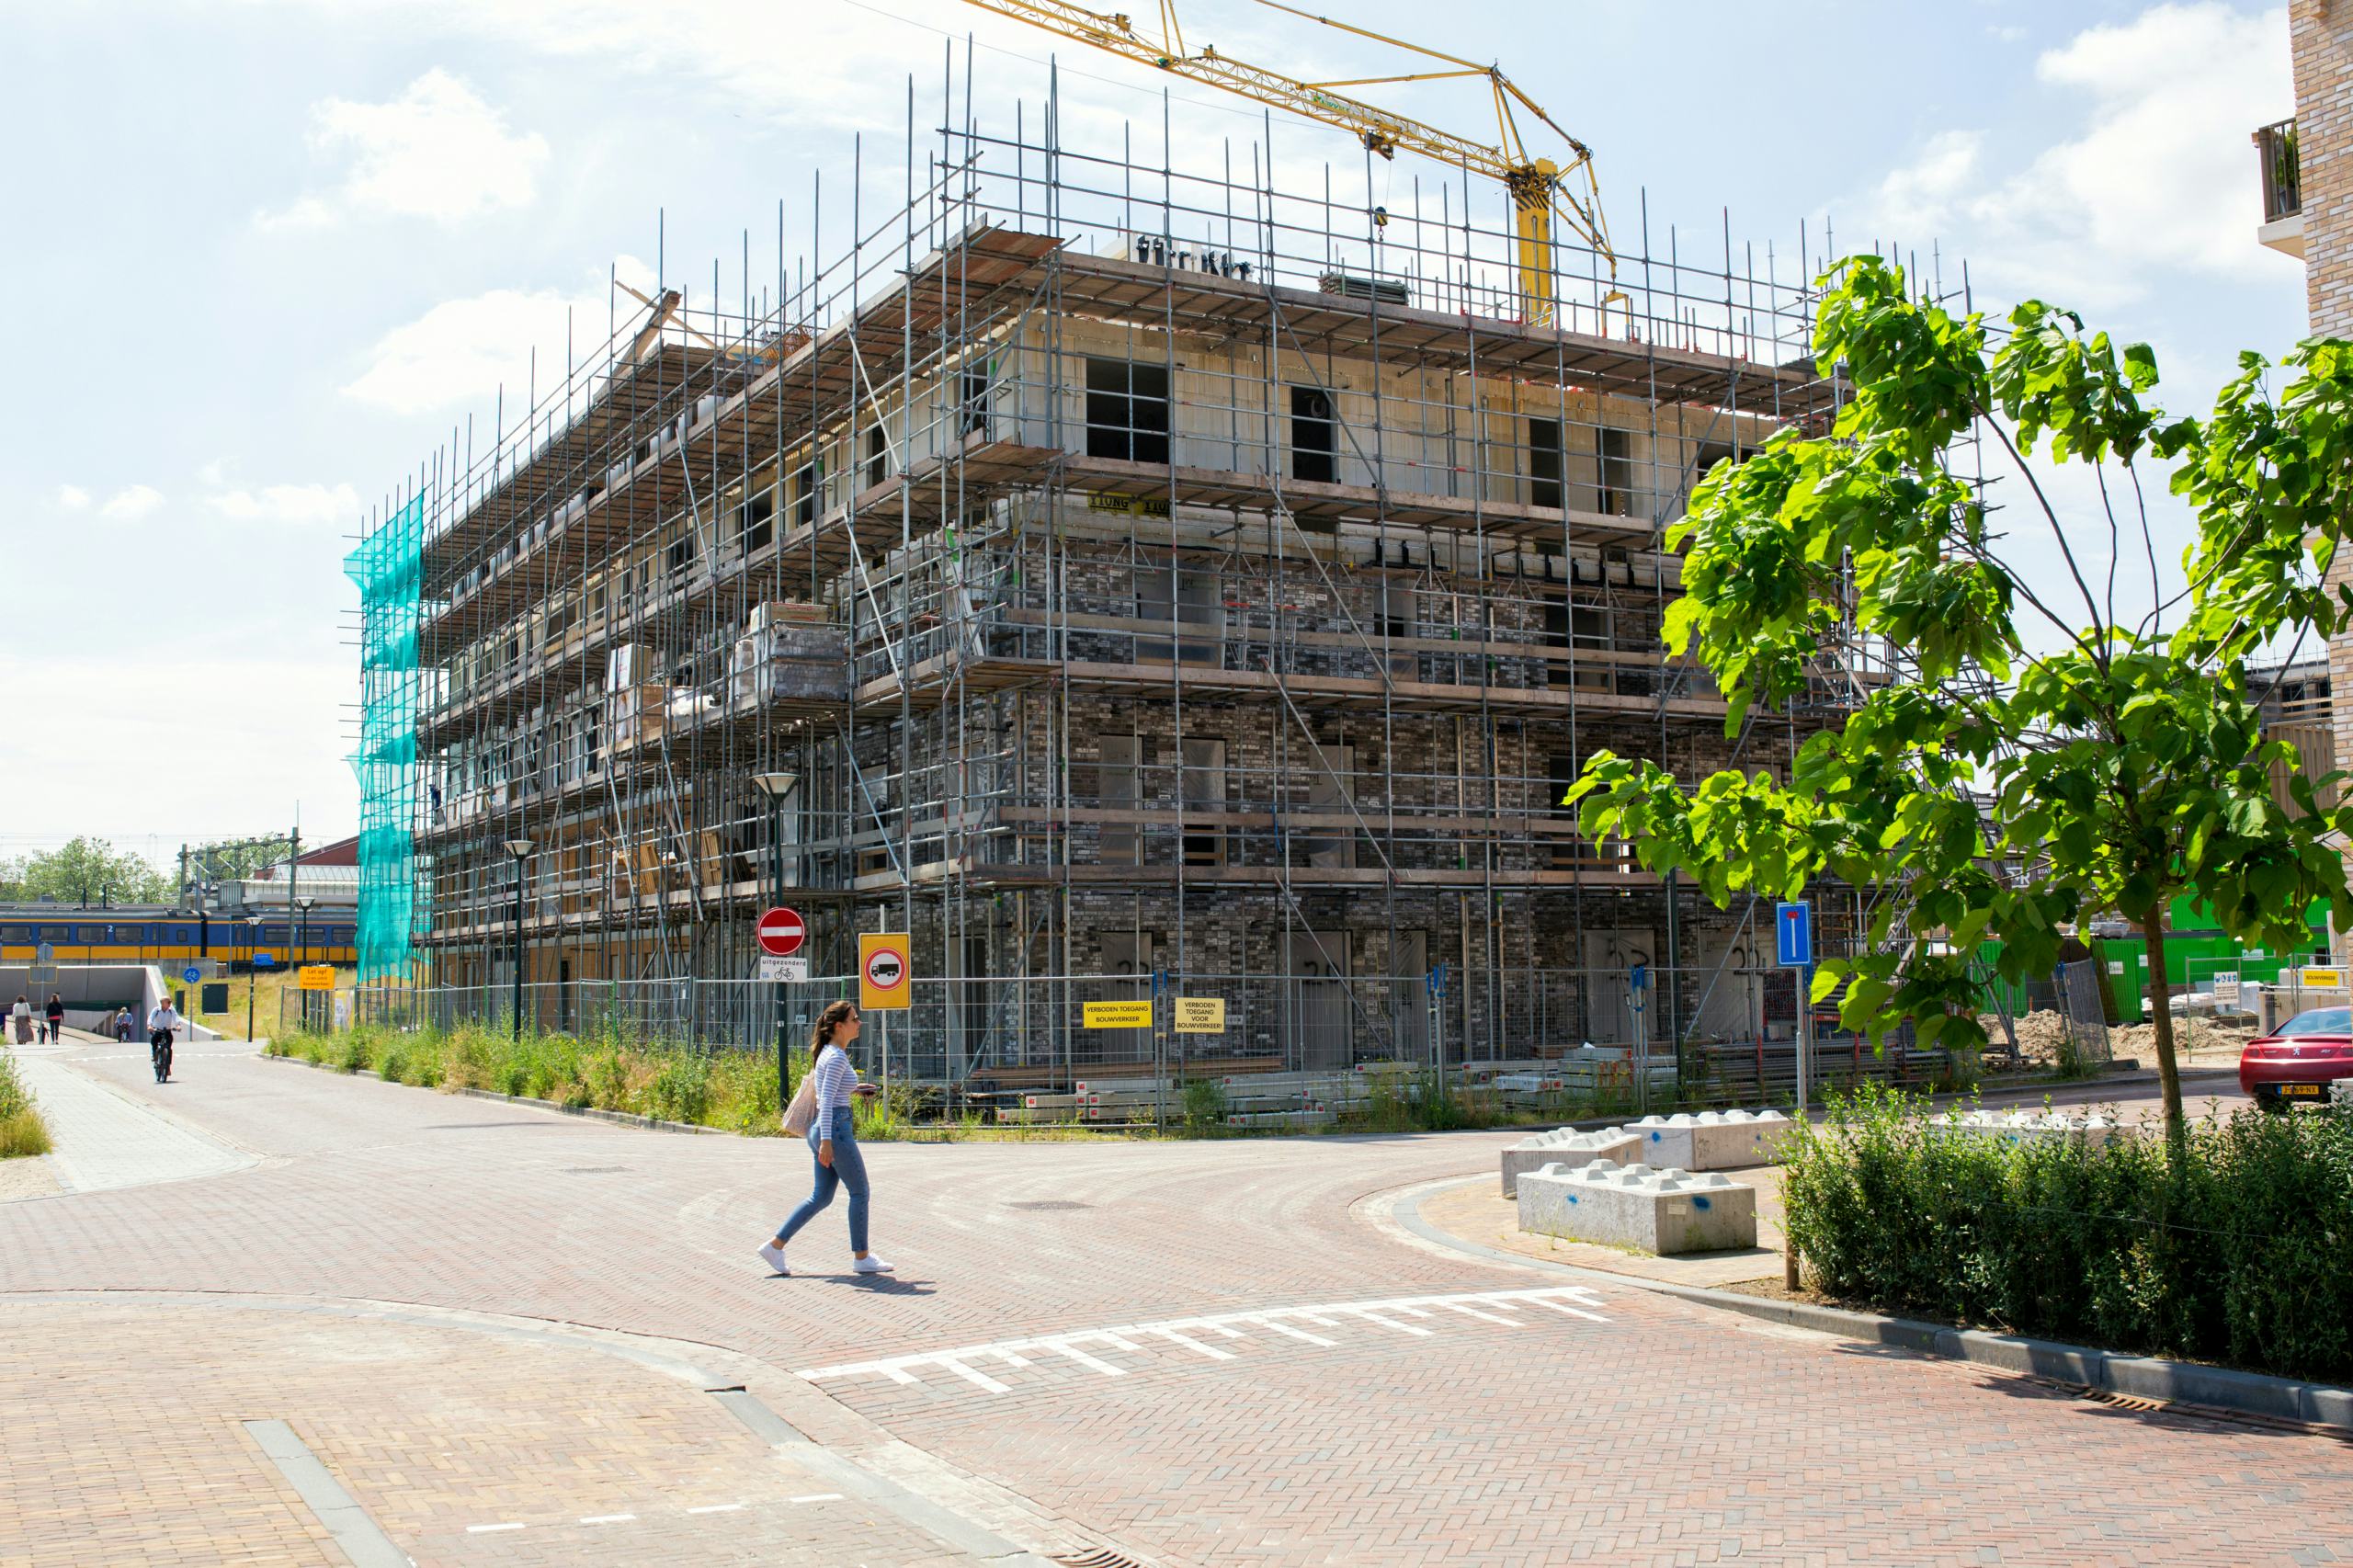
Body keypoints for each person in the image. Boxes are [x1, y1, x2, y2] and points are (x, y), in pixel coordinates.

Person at [758, 1000, 892, 1278]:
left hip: (826, 1128)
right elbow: (827, 1100)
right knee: (860, 1192)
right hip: (835, 1130)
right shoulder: (836, 1057)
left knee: (821, 1196)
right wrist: (827, 1143)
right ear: (839, 1026)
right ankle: (862, 1257)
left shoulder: (830, 1054)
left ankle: (775, 1246)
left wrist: (855, 1090)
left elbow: (832, 1093)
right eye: (855, 1019)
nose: (859, 1023)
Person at [147, 995, 181, 1084]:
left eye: (170, 1002)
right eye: (168, 1002)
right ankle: (155, 1054)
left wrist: (178, 1025)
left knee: (169, 1049)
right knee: (154, 1040)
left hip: (167, 1031)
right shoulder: (156, 1010)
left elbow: (176, 1017)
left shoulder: (171, 1010)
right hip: (158, 1030)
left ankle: (168, 1068)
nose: (170, 1003)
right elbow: (150, 1017)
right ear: (162, 1003)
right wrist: (150, 1026)